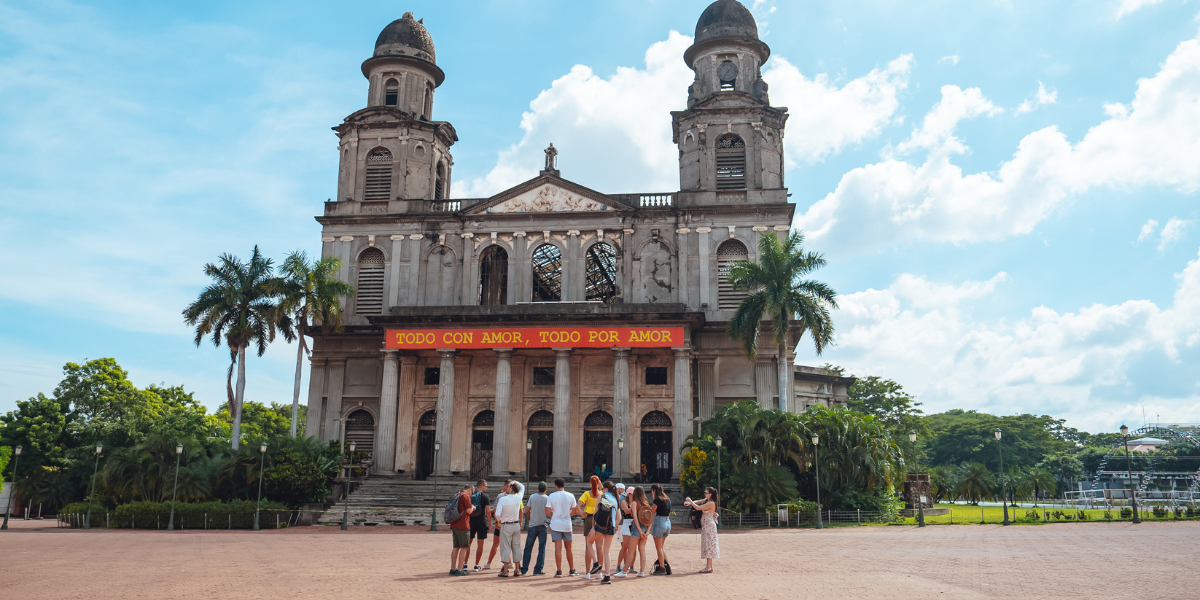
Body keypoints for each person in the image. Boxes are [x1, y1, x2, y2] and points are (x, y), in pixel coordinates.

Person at [585, 480, 621, 584]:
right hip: (611, 526)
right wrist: (615, 525)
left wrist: (593, 527)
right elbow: (619, 517)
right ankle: (607, 576)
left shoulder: (601, 496)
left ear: (605, 489)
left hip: (600, 525)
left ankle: (596, 563)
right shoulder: (616, 498)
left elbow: (595, 514)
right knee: (607, 551)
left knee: (589, 541)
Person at [493, 480, 526, 577]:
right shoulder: (518, 498)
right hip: (516, 524)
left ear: (511, 488)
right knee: (516, 546)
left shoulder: (503, 499)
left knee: (506, 547)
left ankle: (505, 570)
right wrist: (514, 481)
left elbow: (497, 514)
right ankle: (517, 569)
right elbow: (522, 487)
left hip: (506, 524)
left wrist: (500, 520)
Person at [547, 477, 578, 578]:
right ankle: (572, 569)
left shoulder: (551, 496)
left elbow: (547, 512)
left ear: (556, 486)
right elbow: (574, 511)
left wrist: (555, 514)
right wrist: (567, 513)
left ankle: (559, 570)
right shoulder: (571, 495)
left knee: (558, 548)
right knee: (569, 548)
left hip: (556, 524)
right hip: (567, 524)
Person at [684, 487, 720, 574]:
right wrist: (690, 503)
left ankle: (709, 567)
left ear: (710, 494)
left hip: (709, 526)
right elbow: (699, 502)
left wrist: (690, 501)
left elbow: (698, 507)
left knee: (709, 545)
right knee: (707, 545)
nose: (705, 494)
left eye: (706, 493)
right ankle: (708, 566)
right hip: (706, 526)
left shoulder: (711, 503)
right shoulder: (707, 500)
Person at [521, 481, 550, 575]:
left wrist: (530, 518)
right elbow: (549, 512)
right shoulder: (547, 498)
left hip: (533, 525)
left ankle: (524, 569)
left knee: (528, 547)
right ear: (546, 489)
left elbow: (527, 510)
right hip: (543, 524)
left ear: (537, 488)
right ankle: (538, 569)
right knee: (542, 548)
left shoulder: (532, 497)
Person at [449, 483, 475, 577]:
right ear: (470, 490)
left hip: (454, 523)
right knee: (464, 547)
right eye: (472, 493)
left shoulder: (457, 494)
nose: (471, 495)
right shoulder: (465, 496)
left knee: (456, 547)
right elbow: (468, 511)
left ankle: (453, 568)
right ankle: (460, 569)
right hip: (463, 524)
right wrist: (473, 507)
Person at [576, 475, 602, 574]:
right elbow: (603, 490)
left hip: (589, 518)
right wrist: (600, 484)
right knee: (599, 547)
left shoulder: (587, 493)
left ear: (590, 483)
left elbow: (578, 506)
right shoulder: (601, 494)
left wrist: (582, 515)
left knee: (588, 546)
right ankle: (600, 573)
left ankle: (587, 572)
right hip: (599, 519)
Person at [628, 486, 653, 577]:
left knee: (631, 550)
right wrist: (647, 531)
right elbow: (651, 518)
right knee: (642, 550)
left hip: (637, 528)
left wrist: (639, 531)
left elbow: (635, 518)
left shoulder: (635, 503)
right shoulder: (646, 503)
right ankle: (642, 571)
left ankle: (624, 571)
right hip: (645, 528)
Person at [650, 483, 673, 575]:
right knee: (661, 547)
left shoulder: (657, 500)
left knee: (658, 547)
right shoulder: (667, 499)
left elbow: (652, 512)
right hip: (667, 522)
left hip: (659, 522)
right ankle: (667, 566)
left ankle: (662, 567)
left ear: (654, 491)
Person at [469, 480, 491, 571]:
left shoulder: (471, 495)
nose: (486, 488)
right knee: (480, 544)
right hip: (481, 521)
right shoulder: (485, 497)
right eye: (485, 486)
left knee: (468, 543)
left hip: (471, 521)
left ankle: (465, 564)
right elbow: (488, 512)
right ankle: (476, 565)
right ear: (481, 486)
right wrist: (489, 524)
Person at [615, 483, 635, 577]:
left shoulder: (619, 498)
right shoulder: (624, 500)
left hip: (624, 524)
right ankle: (622, 565)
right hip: (624, 523)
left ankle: (628, 565)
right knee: (625, 546)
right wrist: (635, 509)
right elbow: (626, 511)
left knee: (629, 547)